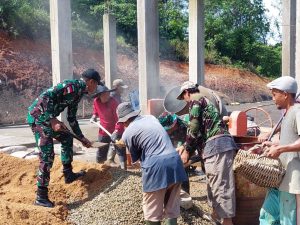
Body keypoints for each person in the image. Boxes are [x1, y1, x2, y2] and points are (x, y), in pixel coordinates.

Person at [27, 68, 101, 208]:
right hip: (38, 119)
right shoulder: (71, 86)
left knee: (67, 138)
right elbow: (45, 97)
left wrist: (81, 137)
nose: (96, 88)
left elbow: (71, 118)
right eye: (96, 84)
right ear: (91, 82)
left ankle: (68, 174)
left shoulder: (78, 94)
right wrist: (52, 120)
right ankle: (41, 196)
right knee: (47, 155)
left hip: (48, 120)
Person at [115, 102, 187, 225]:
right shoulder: (151, 118)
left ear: (124, 121)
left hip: (156, 168)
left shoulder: (128, 132)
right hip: (175, 164)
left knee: (152, 213)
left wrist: (123, 142)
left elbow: (136, 159)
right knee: (172, 210)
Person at [177, 81, 237, 225]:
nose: (185, 102)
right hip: (214, 147)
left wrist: (186, 152)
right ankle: (215, 217)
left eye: (183, 97)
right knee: (212, 184)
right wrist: (185, 147)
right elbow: (197, 134)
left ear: (187, 93)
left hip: (218, 145)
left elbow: (194, 128)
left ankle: (227, 222)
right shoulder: (204, 100)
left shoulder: (195, 99)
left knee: (222, 186)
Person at [258, 76, 300, 225]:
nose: (273, 98)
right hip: (282, 179)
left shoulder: (297, 111)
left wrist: (281, 149)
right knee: (271, 218)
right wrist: (273, 146)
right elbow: (290, 140)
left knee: (289, 220)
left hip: (293, 180)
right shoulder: (287, 114)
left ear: (285, 94)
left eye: (275, 94)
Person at [90, 85, 126, 169]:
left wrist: (116, 131)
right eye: (105, 95)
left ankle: (124, 169)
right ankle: (100, 168)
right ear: (99, 96)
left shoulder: (114, 102)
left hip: (117, 130)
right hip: (103, 131)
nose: (108, 96)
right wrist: (94, 116)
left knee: (120, 149)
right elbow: (95, 111)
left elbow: (119, 119)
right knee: (101, 150)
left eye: (108, 94)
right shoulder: (96, 101)